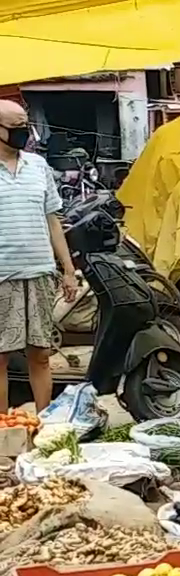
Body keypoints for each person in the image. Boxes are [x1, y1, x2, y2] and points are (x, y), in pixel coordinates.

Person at [0, 99, 76, 413]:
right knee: (0, 356)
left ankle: (43, 425)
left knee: (41, 353)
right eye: (15, 128)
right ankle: (3, 429)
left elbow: (53, 220)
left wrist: (68, 269)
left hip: (41, 272)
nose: (23, 134)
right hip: (3, 276)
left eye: (25, 126)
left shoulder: (38, 167)